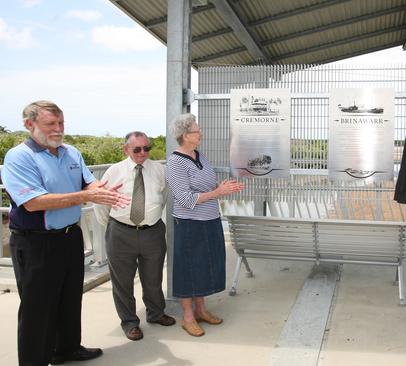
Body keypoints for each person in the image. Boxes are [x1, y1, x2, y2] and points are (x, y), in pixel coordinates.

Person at [1, 100, 130, 365]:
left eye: (61, 123)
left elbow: (89, 181)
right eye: (51, 124)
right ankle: (34, 360)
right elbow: (34, 202)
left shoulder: (71, 152)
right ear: (29, 125)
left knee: (70, 298)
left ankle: (67, 349)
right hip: (37, 242)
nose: (58, 129)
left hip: (71, 237)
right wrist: (87, 195)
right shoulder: (19, 157)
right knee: (38, 308)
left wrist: (102, 190)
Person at [166, 113, 245, 337]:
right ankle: (188, 317)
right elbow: (185, 199)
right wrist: (217, 193)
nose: (201, 133)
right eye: (196, 130)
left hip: (209, 219)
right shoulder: (175, 162)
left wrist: (221, 186)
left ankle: (201, 310)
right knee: (188, 268)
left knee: (204, 265)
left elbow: (206, 186)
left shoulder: (199, 155)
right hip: (190, 223)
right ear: (184, 135)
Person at [93, 131, 176, 341]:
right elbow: (100, 203)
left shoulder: (159, 170)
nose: (142, 153)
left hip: (152, 232)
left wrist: (151, 216)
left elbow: (164, 196)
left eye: (146, 148)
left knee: (153, 278)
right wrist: (116, 225)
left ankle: (156, 314)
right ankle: (130, 322)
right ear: (126, 149)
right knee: (122, 282)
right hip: (121, 233)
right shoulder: (114, 171)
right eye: (137, 149)